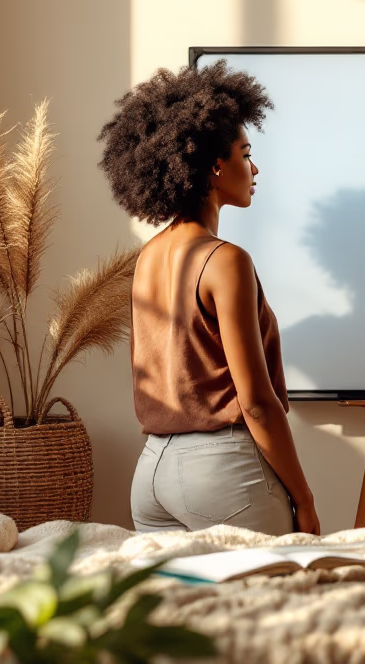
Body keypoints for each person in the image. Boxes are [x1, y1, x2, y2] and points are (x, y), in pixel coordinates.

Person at [98, 61, 319, 535]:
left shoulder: (148, 257)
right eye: (245, 153)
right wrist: (304, 499)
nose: (254, 167)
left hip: (152, 472)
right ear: (216, 167)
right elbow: (256, 401)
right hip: (221, 473)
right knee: (272, 603)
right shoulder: (226, 261)